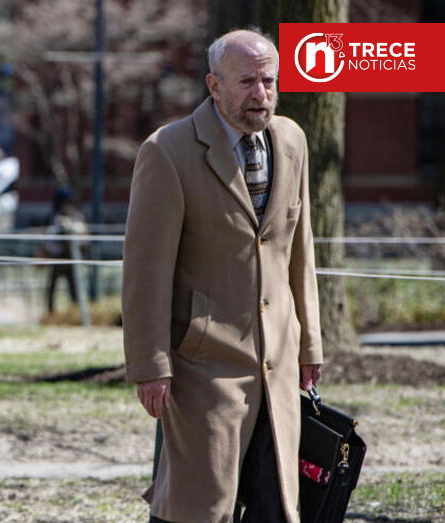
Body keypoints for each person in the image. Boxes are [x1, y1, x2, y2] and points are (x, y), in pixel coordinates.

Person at [121, 29, 323, 523]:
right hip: (203, 368)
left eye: (270, 81)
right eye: (248, 82)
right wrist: (149, 365)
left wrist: (310, 345)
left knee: (278, 503)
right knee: (198, 506)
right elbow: (146, 270)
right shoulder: (168, 151)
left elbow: (301, 250)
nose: (262, 94)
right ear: (214, 85)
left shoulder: (292, 141)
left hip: (278, 363)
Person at [44, 185, 87, 314]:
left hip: (71, 257)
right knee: (52, 287)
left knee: (74, 287)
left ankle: (76, 312)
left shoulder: (75, 216)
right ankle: (51, 312)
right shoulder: (55, 218)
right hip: (58, 256)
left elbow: (83, 237)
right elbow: (49, 238)